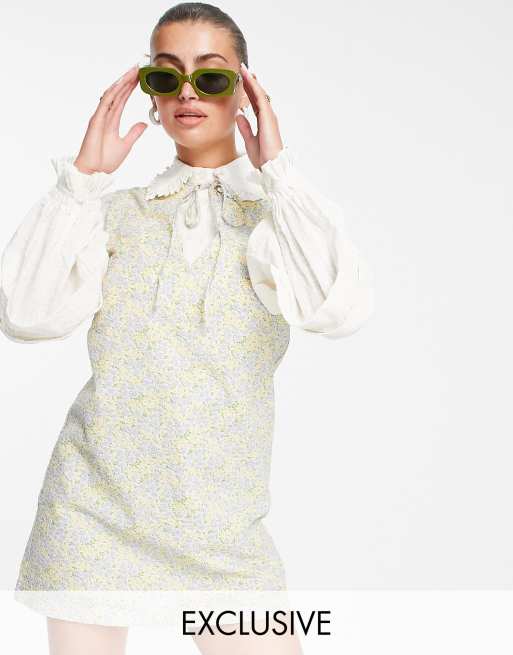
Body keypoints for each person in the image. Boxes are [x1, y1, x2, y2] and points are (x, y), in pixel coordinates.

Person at [1, 3, 374, 653]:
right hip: (92, 511)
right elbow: (25, 316)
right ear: (148, 93)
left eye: (212, 76)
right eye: (165, 76)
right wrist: (84, 179)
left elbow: (335, 311)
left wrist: (277, 173)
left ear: (247, 90)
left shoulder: (276, 221)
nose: (187, 93)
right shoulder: (112, 214)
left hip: (222, 527)